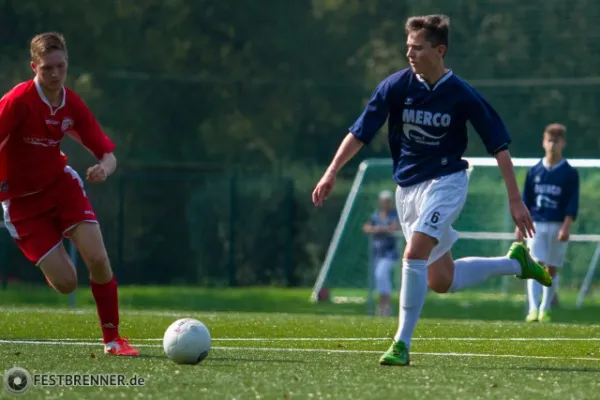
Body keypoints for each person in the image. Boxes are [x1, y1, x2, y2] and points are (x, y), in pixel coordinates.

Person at [312, 14, 552, 366]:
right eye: (407, 46)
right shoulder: (396, 86)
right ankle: (514, 262)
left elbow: (499, 146)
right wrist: (332, 171)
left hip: (447, 183)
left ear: (439, 50)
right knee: (441, 279)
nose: (409, 53)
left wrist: (515, 200)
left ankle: (401, 344)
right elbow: (361, 132)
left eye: (417, 47)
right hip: (407, 189)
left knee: (413, 255)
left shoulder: (461, 93)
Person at [0, 32, 138, 356]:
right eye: (47, 67)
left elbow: (108, 153)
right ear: (34, 66)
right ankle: (54, 258)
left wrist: (105, 168)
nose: (54, 73)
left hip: (61, 188)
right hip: (21, 204)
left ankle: (113, 340)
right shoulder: (18, 102)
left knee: (99, 259)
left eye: (60, 66)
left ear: (67, 65)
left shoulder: (71, 103)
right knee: (68, 284)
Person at [518, 123, 579, 323]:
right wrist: (520, 225)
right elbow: (525, 200)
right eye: (549, 140)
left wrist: (566, 225)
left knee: (551, 268)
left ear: (563, 143)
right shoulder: (534, 170)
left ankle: (545, 309)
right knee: (534, 264)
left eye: (556, 141)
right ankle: (533, 309)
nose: (553, 145)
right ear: (543, 142)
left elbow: (572, 201)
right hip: (536, 223)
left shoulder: (569, 172)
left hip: (557, 224)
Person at [363, 190, 400, 316]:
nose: (386, 204)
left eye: (388, 201)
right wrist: (378, 229)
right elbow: (367, 227)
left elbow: (393, 227)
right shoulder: (376, 215)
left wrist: (379, 229)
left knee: (381, 274)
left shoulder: (394, 214)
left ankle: (386, 305)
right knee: (380, 279)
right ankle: (382, 306)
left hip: (389, 253)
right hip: (377, 252)